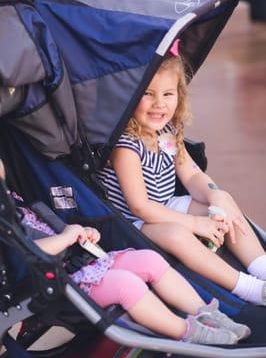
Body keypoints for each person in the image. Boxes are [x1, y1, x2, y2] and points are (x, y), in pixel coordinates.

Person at [0, 158, 250, 345]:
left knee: (149, 260)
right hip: (54, 286)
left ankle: (206, 313)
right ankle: (187, 332)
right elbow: (26, 251)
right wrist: (67, 238)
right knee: (126, 285)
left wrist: (77, 231)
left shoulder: (11, 202)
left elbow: (46, 229)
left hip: (80, 265)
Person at [98, 40, 266, 307]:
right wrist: (195, 224)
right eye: (147, 94)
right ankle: (247, 288)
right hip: (135, 223)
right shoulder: (126, 146)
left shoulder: (167, 132)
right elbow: (141, 207)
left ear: (180, 96)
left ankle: (261, 266)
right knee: (177, 235)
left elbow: (191, 175)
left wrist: (215, 196)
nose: (159, 104)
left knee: (226, 202)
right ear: (130, 96)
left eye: (168, 94)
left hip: (167, 205)